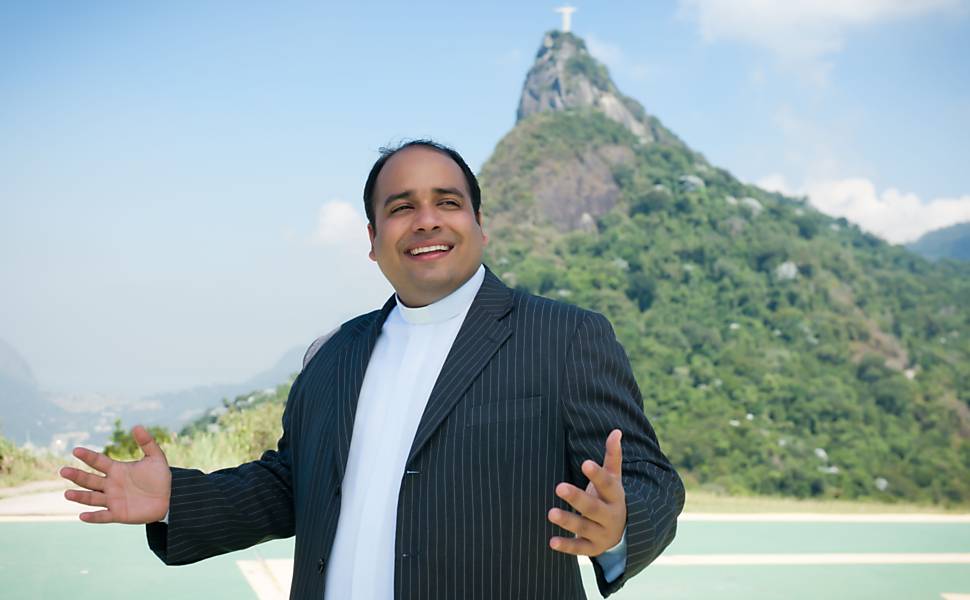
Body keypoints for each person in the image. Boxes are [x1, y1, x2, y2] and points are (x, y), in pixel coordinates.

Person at [60, 140, 684, 599]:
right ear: (374, 237)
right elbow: (292, 485)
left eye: (448, 202)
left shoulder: (565, 335)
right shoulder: (332, 353)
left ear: (479, 225)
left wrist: (620, 523)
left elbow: (654, 479)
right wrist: (179, 499)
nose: (427, 219)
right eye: (401, 206)